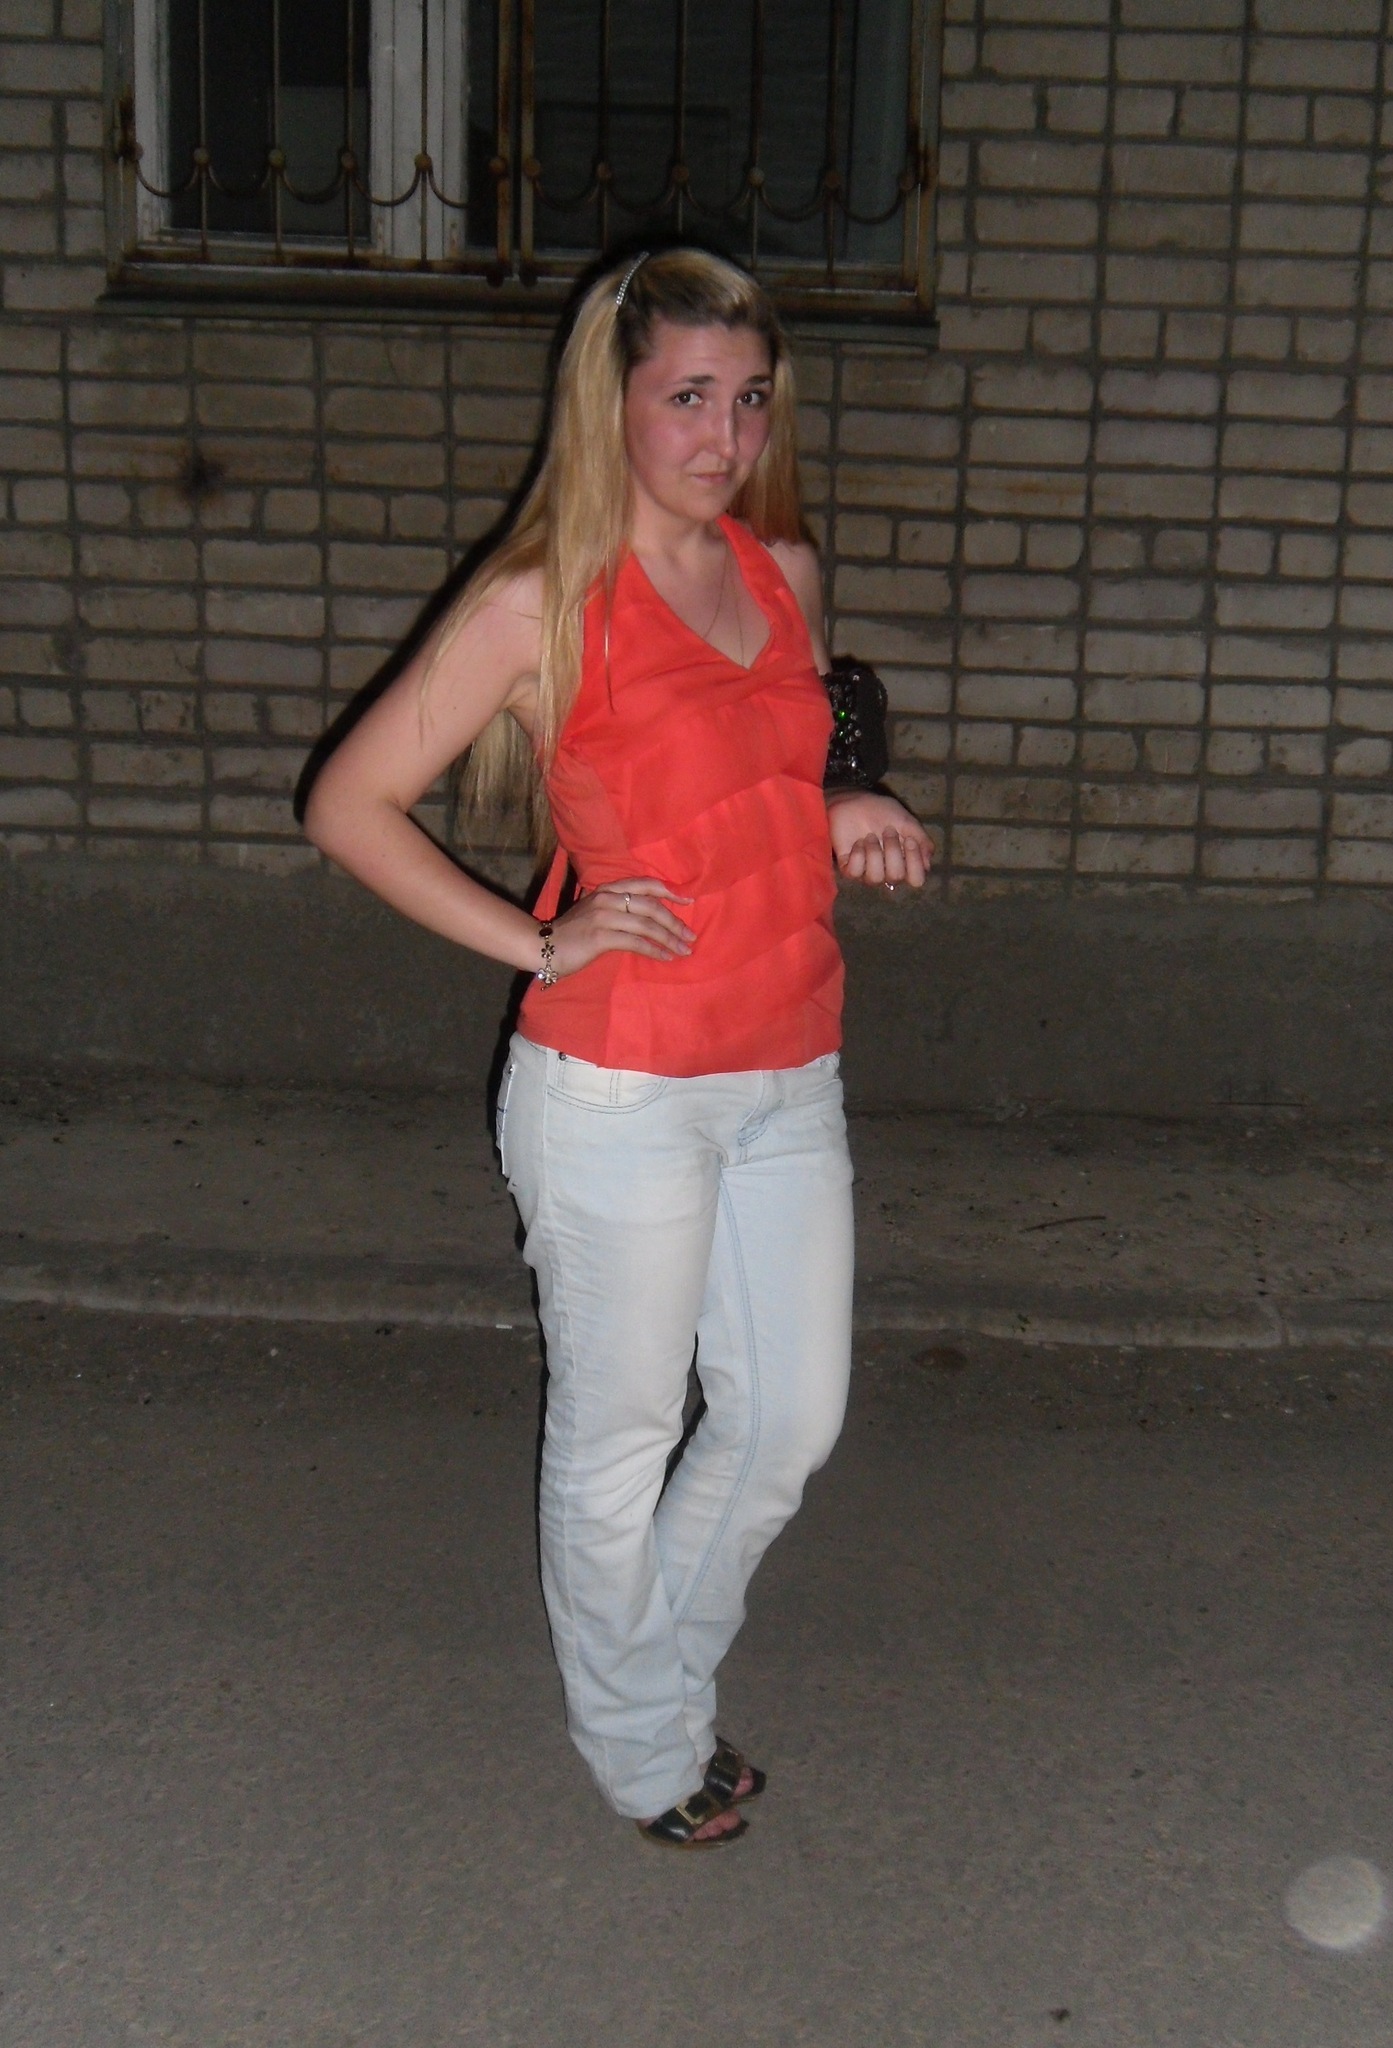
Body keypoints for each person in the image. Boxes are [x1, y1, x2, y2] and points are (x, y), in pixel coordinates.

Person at [303, 246, 932, 1848]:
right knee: (620, 1438)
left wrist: (848, 797)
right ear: (612, 402)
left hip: (787, 1063)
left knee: (786, 1421)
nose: (725, 436)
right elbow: (349, 803)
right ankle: (645, 1746)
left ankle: (661, 1683)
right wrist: (538, 939)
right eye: (688, 398)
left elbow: (793, 741)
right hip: (618, 1086)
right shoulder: (540, 603)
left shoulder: (779, 568)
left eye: (750, 399)